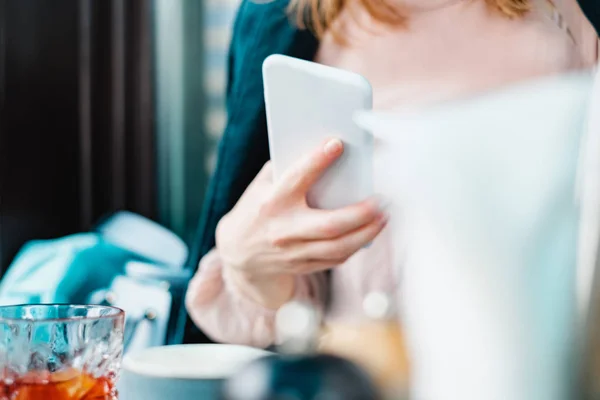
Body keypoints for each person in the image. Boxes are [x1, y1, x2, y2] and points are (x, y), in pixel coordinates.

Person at [184, 0, 599, 347]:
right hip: (361, 372)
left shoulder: (571, 19)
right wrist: (250, 266)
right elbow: (295, 304)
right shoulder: (283, 20)